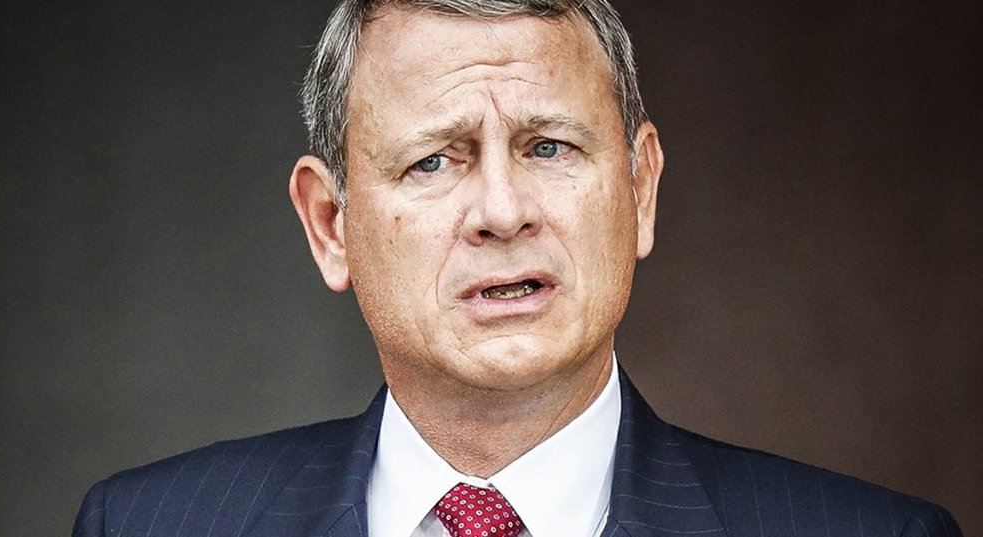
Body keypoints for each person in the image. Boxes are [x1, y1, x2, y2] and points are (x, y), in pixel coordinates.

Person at [72, 1, 962, 536]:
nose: (503, 210)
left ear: (640, 190)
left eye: (548, 146)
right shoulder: (148, 526)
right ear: (331, 224)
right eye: (434, 160)